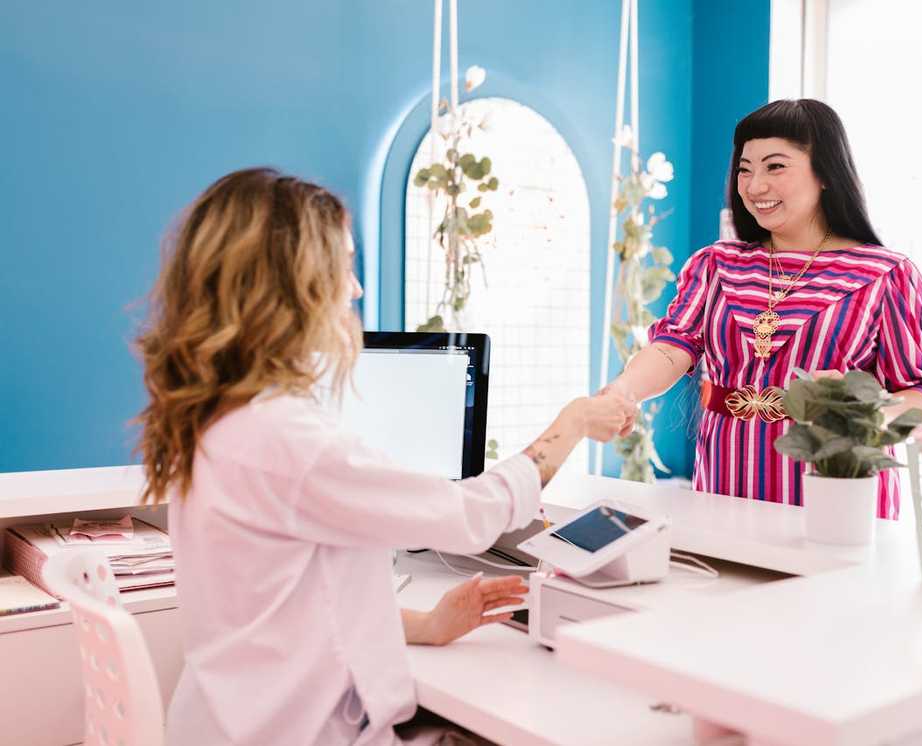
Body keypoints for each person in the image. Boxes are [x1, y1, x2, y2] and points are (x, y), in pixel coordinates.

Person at [134, 168, 634, 746]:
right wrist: (571, 423)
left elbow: (287, 610)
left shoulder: (218, 420)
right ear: (292, 285)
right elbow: (469, 515)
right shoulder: (286, 440)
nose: (356, 290)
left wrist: (429, 626)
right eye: (342, 267)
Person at [605, 99, 922, 519]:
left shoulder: (888, 274)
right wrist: (624, 391)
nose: (754, 185)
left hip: (837, 502)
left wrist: (862, 416)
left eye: (775, 167)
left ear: (825, 172)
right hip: (724, 490)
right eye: (745, 169)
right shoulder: (716, 265)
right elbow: (672, 346)